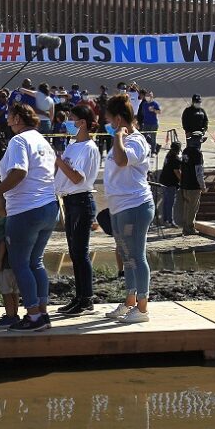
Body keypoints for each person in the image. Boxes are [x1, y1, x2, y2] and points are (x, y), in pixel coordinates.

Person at [0, 102, 58, 332]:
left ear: (18, 119)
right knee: (36, 262)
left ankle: (33, 315)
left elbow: (19, 171)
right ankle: (42, 313)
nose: (7, 121)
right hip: (49, 206)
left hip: (25, 209)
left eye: (10, 116)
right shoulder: (43, 141)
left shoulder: (19, 140)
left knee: (20, 263)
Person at [100, 94, 154, 324]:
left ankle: (142, 307)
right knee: (126, 256)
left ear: (119, 119)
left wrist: (119, 136)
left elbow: (122, 161)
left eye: (110, 119)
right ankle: (130, 300)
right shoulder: (122, 139)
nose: (108, 124)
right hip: (119, 206)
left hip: (135, 205)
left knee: (136, 255)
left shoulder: (136, 141)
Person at [54, 103, 102, 316]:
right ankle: (79, 297)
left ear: (82, 122)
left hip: (81, 201)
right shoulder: (73, 145)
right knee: (74, 252)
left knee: (80, 252)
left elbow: (77, 177)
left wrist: (58, 161)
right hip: (69, 201)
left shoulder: (89, 148)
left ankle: (87, 299)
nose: (69, 123)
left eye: (72, 119)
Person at [0, 192, 21, 328]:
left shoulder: (1, 224)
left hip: (5, 265)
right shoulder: (14, 221)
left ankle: (10, 316)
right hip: (16, 264)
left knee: (6, 292)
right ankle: (15, 314)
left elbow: (2, 243)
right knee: (15, 292)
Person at [177, 132, 205, 236]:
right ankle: (189, 228)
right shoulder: (197, 153)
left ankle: (185, 227)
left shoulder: (185, 151)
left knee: (187, 207)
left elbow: (182, 167)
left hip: (185, 183)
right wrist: (202, 185)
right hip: (194, 185)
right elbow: (199, 171)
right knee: (193, 208)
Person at [157, 140, 182, 226]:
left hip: (164, 181)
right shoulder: (175, 159)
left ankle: (165, 220)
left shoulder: (168, 155)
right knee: (170, 202)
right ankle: (170, 221)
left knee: (166, 201)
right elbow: (177, 172)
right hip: (170, 182)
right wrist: (182, 180)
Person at [138, 90, 161, 155]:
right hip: (146, 123)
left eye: (150, 95)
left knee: (153, 138)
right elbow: (142, 113)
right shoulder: (144, 104)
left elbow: (159, 111)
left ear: (152, 96)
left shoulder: (155, 103)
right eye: (147, 95)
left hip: (153, 123)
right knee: (143, 137)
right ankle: (144, 150)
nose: (148, 97)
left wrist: (153, 110)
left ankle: (153, 151)